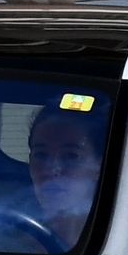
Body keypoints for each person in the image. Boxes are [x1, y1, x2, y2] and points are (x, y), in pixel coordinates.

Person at [27, 105, 104, 246]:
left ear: (99, 166)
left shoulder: (121, 247)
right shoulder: (6, 243)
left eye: (70, 156)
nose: (51, 170)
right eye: (41, 155)